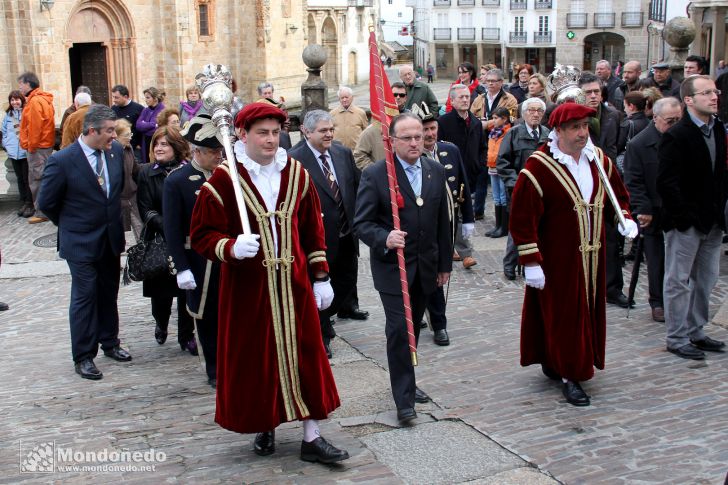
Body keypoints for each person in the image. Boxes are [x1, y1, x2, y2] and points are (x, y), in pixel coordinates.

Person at [190, 102, 349, 463]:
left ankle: (312, 435)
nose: (270, 140)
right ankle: (266, 424)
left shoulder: (295, 173)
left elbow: (313, 230)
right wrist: (230, 247)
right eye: (262, 133)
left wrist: (321, 277)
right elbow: (201, 234)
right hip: (249, 291)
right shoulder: (224, 179)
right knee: (258, 362)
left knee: (307, 356)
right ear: (242, 135)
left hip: (294, 287)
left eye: (276, 133)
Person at [509, 102, 637, 407]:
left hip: (594, 255)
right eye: (575, 128)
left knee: (587, 310)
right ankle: (571, 373)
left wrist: (625, 218)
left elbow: (618, 195)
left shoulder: (599, 161)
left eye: (585, 127)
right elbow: (522, 219)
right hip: (558, 258)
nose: (582, 133)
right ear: (559, 130)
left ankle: (559, 360)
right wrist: (530, 261)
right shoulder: (538, 167)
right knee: (565, 315)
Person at [354, 112, 452, 423]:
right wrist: (385, 237)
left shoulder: (435, 170)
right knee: (399, 330)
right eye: (406, 138)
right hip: (392, 268)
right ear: (392, 141)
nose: (414, 142)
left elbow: (442, 221)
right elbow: (362, 223)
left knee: (414, 330)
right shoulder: (378, 174)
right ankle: (404, 400)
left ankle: (407, 379)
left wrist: (444, 264)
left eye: (418, 136)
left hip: (425, 266)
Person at [37, 105, 131, 380]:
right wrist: (72, 226)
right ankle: (83, 355)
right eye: (110, 131)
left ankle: (110, 341)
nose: (114, 135)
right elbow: (47, 203)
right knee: (85, 295)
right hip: (80, 242)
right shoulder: (63, 160)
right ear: (92, 131)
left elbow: (115, 193)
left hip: (110, 238)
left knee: (108, 291)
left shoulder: (113, 154)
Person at [657, 75, 727, 360]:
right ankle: (677, 337)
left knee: (707, 278)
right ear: (689, 100)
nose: (714, 97)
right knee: (678, 280)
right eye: (706, 93)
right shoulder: (677, 134)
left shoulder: (718, 129)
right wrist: (684, 217)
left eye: (715, 91)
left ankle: (696, 330)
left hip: (713, 220)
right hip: (685, 222)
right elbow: (666, 183)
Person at [290, 110, 361, 358]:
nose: (329, 134)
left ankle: (327, 319)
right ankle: (321, 334)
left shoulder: (342, 153)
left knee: (345, 283)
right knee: (318, 288)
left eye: (331, 129)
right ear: (306, 132)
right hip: (317, 241)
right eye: (323, 130)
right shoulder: (294, 161)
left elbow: (355, 186)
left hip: (346, 236)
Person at [163, 115, 223, 388]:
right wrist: (181, 267)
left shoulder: (226, 176)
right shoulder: (178, 181)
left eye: (220, 151)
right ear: (197, 151)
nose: (218, 156)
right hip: (198, 260)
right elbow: (173, 229)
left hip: (225, 256)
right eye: (213, 152)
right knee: (206, 316)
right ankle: (214, 369)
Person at [136, 126, 198, 356]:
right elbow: (146, 210)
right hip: (160, 240)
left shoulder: (187, 172)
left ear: (176, 147)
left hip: (186, 240)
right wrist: (169, 225)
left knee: (185, 291)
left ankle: (186, 336)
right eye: (156, 144)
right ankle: (161, 323)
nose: (159, 148)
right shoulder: (146, 173)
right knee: (161, 295)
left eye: (165, 144)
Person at [416, 102, 473, 344]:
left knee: (441, 273)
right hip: (422, 227)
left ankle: (439, 322)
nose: (430, 134)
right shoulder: (411, 157)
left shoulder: (450, 150)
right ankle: (431, 319)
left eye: (433, 128)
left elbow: (464, 185)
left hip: (447, 225)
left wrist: (468, 218)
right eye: (425, 130)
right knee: (425, 275)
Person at [623, 97, 682, 322]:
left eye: (679, 120)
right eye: (670, 121)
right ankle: (657, 302)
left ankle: (677, 299)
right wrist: (643, 208)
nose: (674, 125)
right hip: (654, 209)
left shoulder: (682, 139)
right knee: (656, 258)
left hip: (679, 208)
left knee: (678, 258)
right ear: (655, 118)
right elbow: (634, 181)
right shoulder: (639, 144)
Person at [579, 72, 629, 308]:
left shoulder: (613, 115)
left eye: (596, 92)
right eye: (588, 92)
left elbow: (616, 146)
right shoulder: (572, 115)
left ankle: (612, 288)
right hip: (579, 181)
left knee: (610, 236)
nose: (592, 96)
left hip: (606, 180)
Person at [497, 97, 550, 280]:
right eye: (531, 110)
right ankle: (510, 264)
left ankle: (537, 261)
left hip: (543, 191)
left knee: (542, 226)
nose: (535, 114)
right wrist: (515, 183)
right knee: (517, 227)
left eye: (539, 111)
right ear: (524, 113)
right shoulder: (513, 134)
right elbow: (502, 162)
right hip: (519, 190)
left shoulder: (547, 134)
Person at [470, 69, 518, 219]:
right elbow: (472, 118)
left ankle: (504, 218)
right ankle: (478, 211)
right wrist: (483, 124)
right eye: (488, 80)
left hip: (501, 143)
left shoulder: (509, 99)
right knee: (481, 178)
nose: (490, 83)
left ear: (501, 82)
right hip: (482, 142)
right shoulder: (479, 99)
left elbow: (509, 119)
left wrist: (485, 124)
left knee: (500, 183)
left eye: (493, 81)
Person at [17, 71, 55, 224]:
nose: (19, 87)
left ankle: (42, 212)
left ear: (28, 84)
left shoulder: (35, 101)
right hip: (44, 145)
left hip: (38, 147)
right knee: (42, 177)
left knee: (37, 179)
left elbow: (34, 127)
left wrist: (30, 147)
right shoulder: (43, 99)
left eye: (20, 84)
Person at [354, 82, 408, 170]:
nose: (398, 97)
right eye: (394, 94)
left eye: (401, 95)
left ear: (405, 98)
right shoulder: (375, 126)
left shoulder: (412, 122)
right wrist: (376, 172)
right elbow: (359, 155)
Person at [2, 90, 32, 217]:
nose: (15, 102)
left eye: (17, 99)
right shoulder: (8, 116)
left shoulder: (27, 112)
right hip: (13, 152)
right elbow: (4, 132)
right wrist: (7, 145)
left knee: (27, 179)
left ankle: (30, 203)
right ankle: (23, 201)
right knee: (19, 178)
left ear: (22, 100)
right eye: (12, 100)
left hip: (25, 151)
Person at [485, 107, 512, 238]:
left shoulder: (508, 132)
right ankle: (498, 225)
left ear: (504, 119)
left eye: (496, 118)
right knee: (496, 197)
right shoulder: (493, 132)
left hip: (501, 167)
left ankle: (504, 226)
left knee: (502, 196)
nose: (493, 121)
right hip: (492, 166)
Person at [114, 119, 143, 242]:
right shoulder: (111, 153)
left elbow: (136, 168)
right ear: (116, 136)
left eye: (130, 134)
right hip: (118, 200)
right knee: (118, 237)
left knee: (141, 231)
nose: (130, 138)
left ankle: (143, 258)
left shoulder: (128, 148)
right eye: (127, 135)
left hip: (132, 196)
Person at [329, 86, 369, 151]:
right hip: (338, 151)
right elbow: (329, 132)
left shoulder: (361, 113)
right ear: (339, 99)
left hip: (356, 151)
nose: (344, 100)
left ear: (352, 98)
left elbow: (366, 132)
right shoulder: (332, 114)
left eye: (346, 97)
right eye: (342, 98)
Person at [616, 91, 650, 164]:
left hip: (632, 161)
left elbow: (619, 146)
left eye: (625, 106)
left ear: (631, 106)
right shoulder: (650, 122)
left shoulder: (627, 124)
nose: (624, 110)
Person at [111, 85, 145, 156]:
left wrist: (139, 145)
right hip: (117, 148)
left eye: (116, 97)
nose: (114, 100)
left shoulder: (139, 109)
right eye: (113, 97)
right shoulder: (113, 109)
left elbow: (143, 128)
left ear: (125, 97)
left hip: (134, 149)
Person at [136, 87, 166, 164]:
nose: (146, 100)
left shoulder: (162, 109)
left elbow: (156, 129)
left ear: (155, 98)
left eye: (148, 98)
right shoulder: (146, 110)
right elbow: (138, 125)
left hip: (156, 140)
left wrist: (145, 124)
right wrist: (152, 125)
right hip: (145, 141)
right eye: (145, 98)